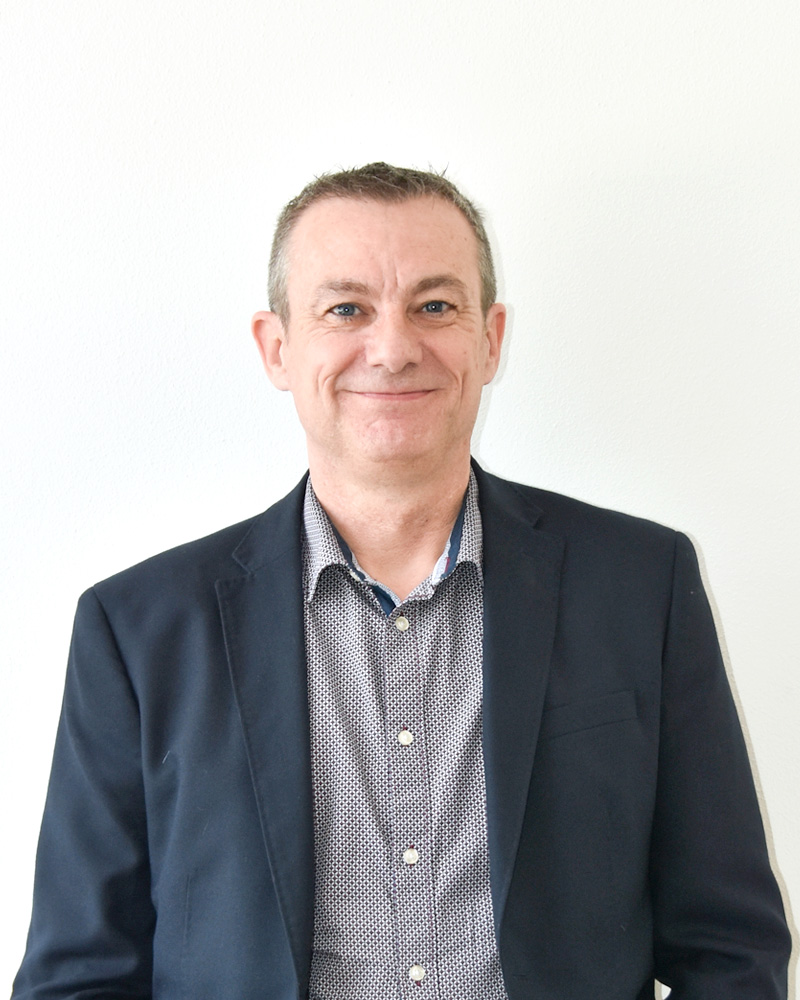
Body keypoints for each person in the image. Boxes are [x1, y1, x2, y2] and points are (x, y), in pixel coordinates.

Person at [12, 162, 790, 1000]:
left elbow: (729, 949)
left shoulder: (640, 586)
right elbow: (81, 975)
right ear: (277, 348)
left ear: (490, 339)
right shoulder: (138, 630)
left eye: (435, 306)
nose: (392, 349)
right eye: (346, 309)